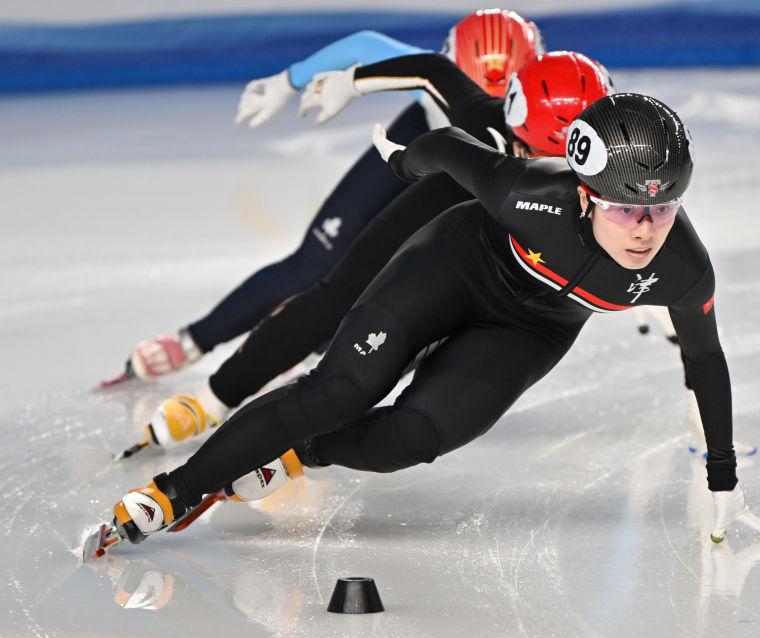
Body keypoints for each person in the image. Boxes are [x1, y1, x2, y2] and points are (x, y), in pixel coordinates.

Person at [92, 93, 760, 558]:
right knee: (342, 387)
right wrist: (399, 160)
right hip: (459, 262)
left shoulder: (684, 271)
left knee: (410, 438)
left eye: (663, 211)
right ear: (584, 192)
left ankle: (300, 453)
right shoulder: (532, 195)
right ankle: (175, 489)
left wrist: (722, 477)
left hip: (532, 329)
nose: (645, 230)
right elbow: (451, 148)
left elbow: (706, 363)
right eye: (626, 210)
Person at [134, 50, 611, 454]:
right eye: (529, 151)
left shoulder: (609, 178)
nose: (542, 172)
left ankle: (309, 440)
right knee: (335, 297)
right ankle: (215, 396)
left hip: (508, 268)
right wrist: (350, 81)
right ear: (511, 118)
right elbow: (433, 69)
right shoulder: (484, 120)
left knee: (426, 350)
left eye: (565, 166)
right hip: (444, 215)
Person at [111, 9, 542, 384]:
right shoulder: (431, 75)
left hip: (470, 177)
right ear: (450, 66)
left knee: (403, 283)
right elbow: (365, 45)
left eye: (501, 106)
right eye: (470, 95)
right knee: (314, 262)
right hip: (412, 144)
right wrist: (288, 80)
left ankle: (317, 361)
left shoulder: (538, 111)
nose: (479, 110)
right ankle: (195, 339)